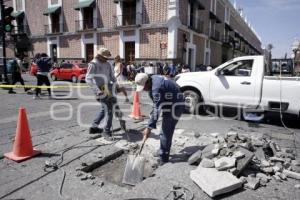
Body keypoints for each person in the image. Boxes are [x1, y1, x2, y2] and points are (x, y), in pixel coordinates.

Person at [135, 73, 184, 164]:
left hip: (175, 106)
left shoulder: (156, 88)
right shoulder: (153, 78)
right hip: (170, 101)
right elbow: (156, 105)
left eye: (144, 87)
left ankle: (164, 157)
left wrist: (148, 128)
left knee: (165, 132)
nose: (144, 90)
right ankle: (163, 150)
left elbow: (156, 109)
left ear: (147, 82)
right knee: (165, 131)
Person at [86, 48, 124, 136]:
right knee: (110, 110)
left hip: (108, 87)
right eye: (105, 57)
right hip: (101, 88)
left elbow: (112, 76)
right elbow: (88, 79)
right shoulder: (93, 64)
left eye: (107, 57)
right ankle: (107, 131)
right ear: (99, 56)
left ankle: (94, 127)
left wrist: (117, 85)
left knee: (105, 109)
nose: (107, 59)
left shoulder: (107, 64)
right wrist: (97, 91)